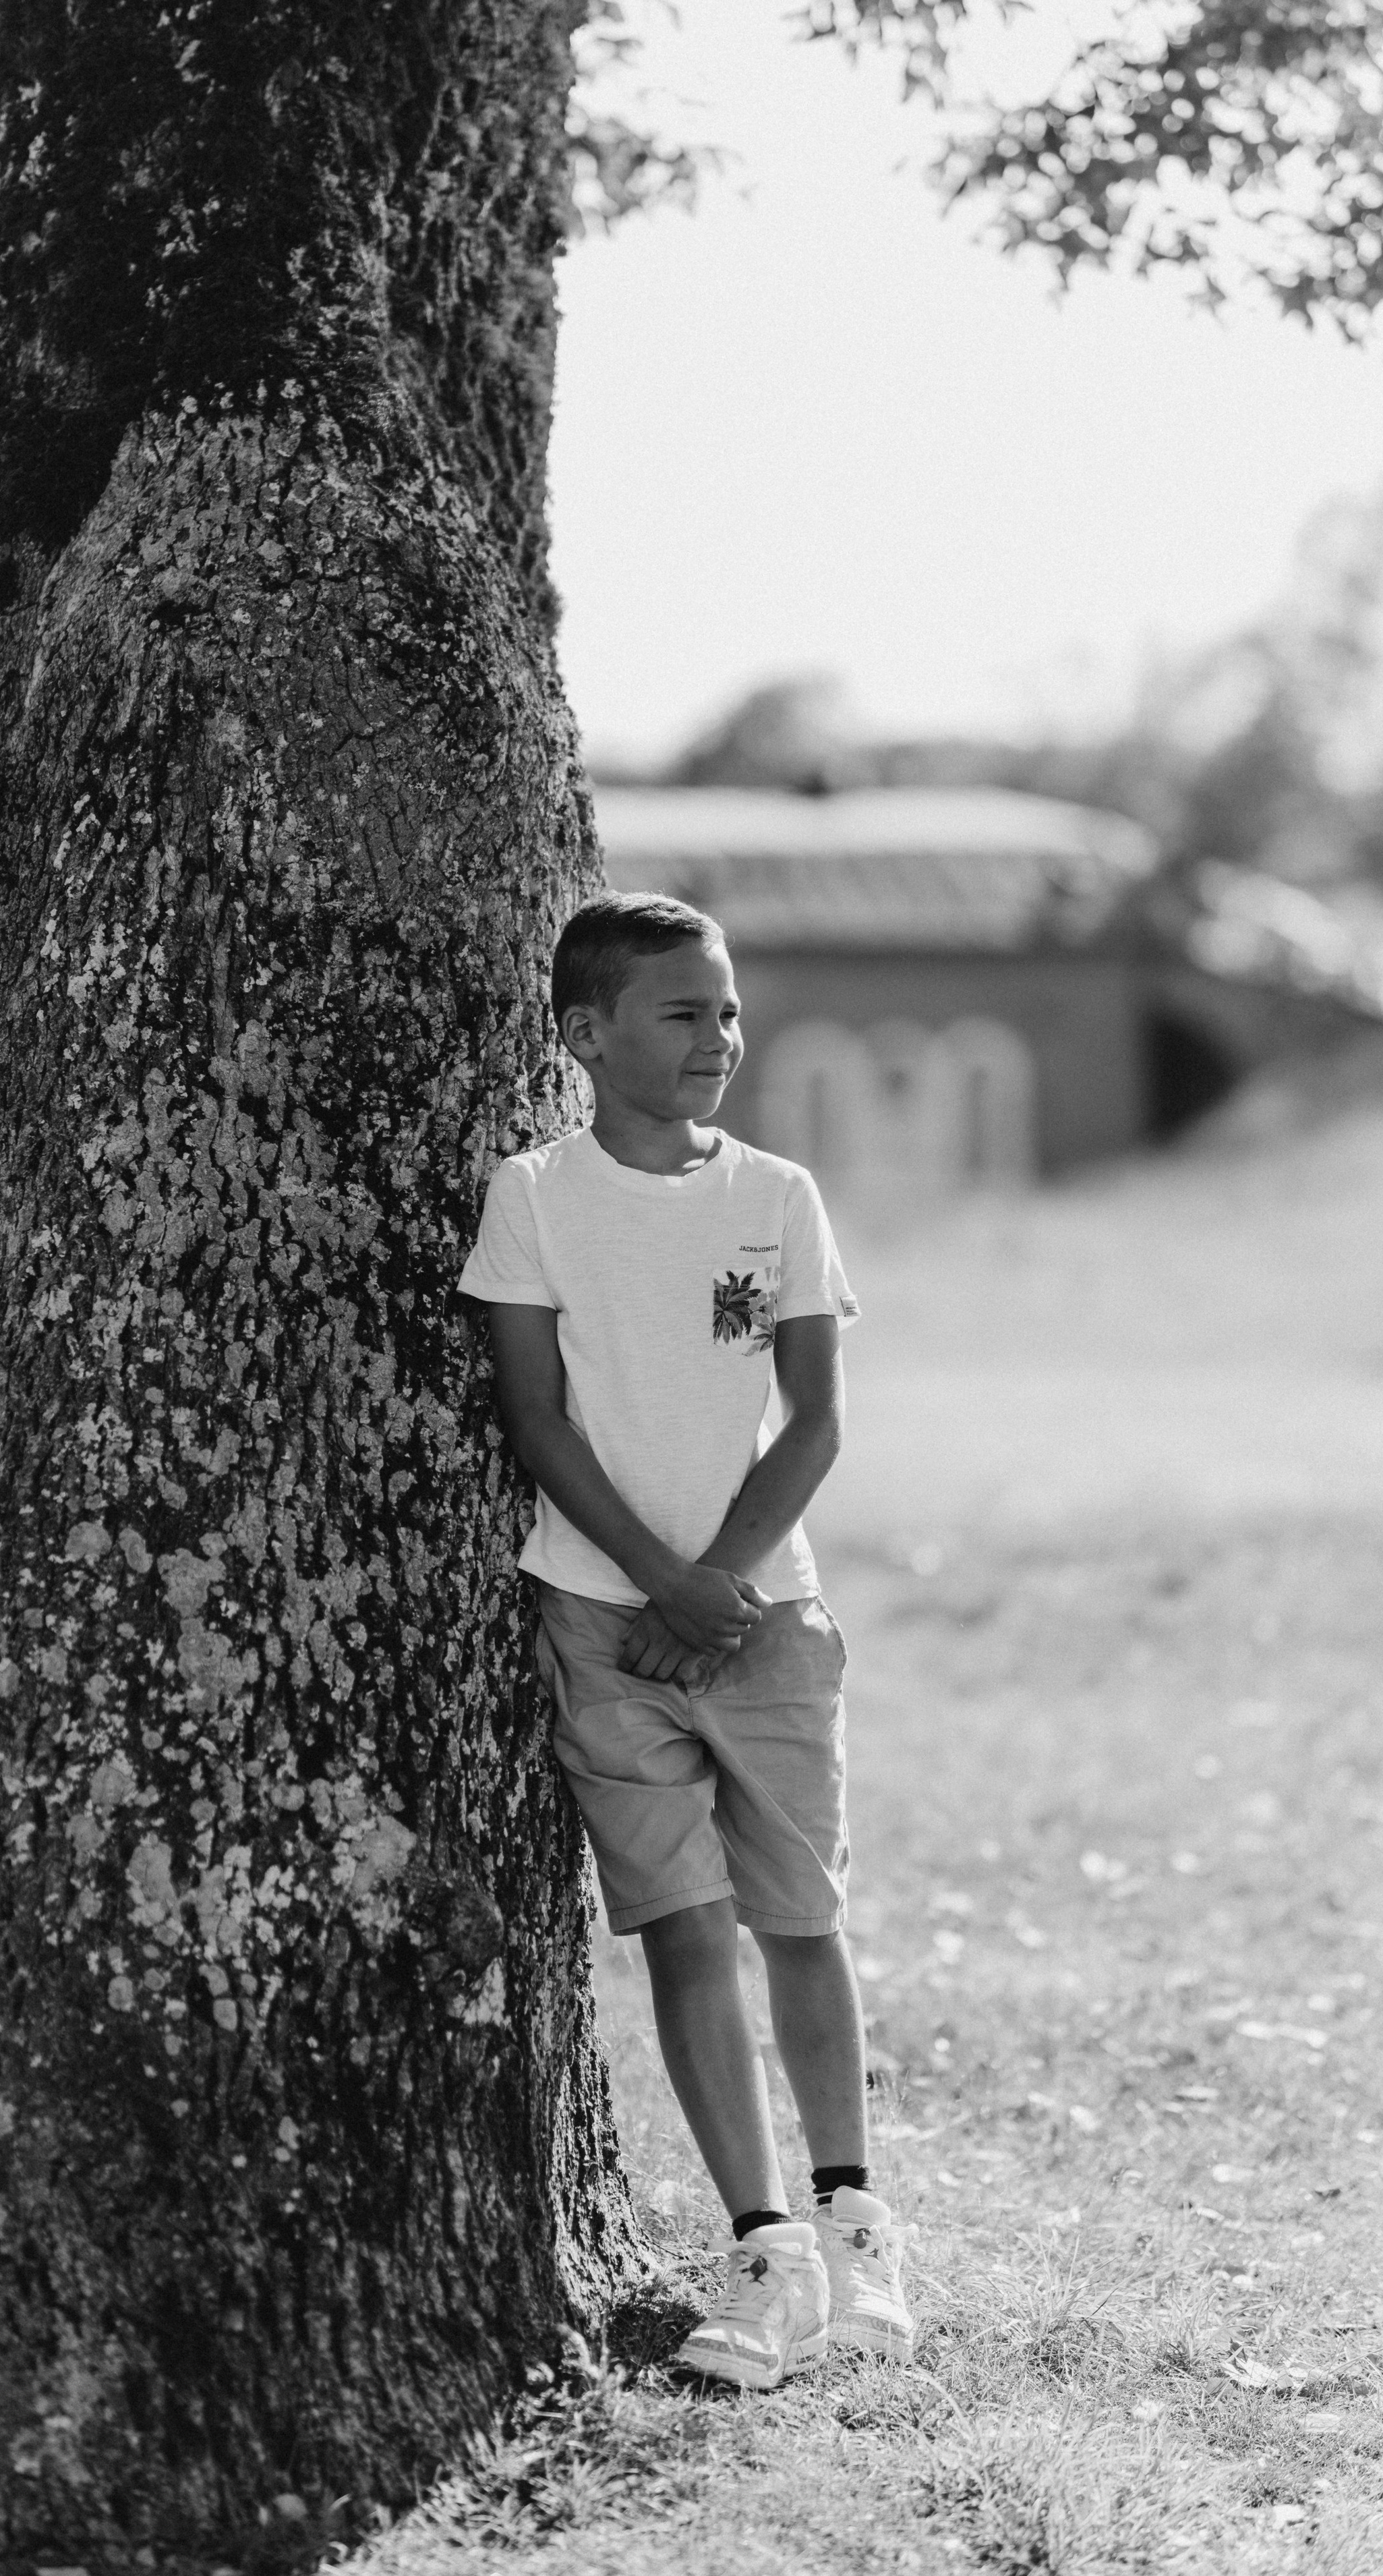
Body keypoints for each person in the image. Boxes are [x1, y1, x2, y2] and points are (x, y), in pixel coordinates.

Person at [458, 890, 914, 2389]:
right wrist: (655, 1582)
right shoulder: (534, 1194)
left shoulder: (776, 1194)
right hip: (601, 1621)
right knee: (682, 1924)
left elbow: (816, 1420)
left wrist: (715, 1582)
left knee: (799, 1919)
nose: (719, 1036)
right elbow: (535, 1416)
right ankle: (767, 2249)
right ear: (584, 1034)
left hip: (764, 1618)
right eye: (681, 1012)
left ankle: (854, 2223)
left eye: (726, 1010)